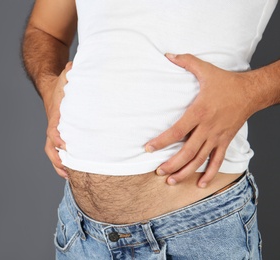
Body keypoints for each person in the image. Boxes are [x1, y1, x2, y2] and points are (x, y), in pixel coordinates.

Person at [22, 0, 280, 259]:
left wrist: (250, 92)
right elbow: (45, 30)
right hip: (81, 234)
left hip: (197, 233)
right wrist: (49, 88)